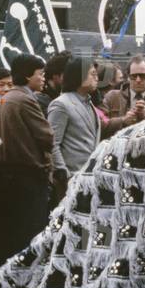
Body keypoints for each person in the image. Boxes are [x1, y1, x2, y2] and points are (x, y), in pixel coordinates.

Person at [0, 54, 54, 269]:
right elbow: (47, 136)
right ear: (28, 75)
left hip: (11, 174)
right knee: (31, 231)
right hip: (28, 174)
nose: (43, 78)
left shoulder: (8, 98)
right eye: (40, 74)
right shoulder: (25, 98)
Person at [48, 56, 101, 201]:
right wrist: (63, 174)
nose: (97, 78)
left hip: (90, 180)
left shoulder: (90, 104)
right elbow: (52, 143)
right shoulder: (61, 104)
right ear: (79, 76)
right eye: (93, 74)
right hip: (70, 181)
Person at [104, 57, 145, 122]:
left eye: (142, 76)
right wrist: (123, 120)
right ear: (128, 77)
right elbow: (101, 125)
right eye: (134, 76)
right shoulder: (112, 98)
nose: (138, 80)